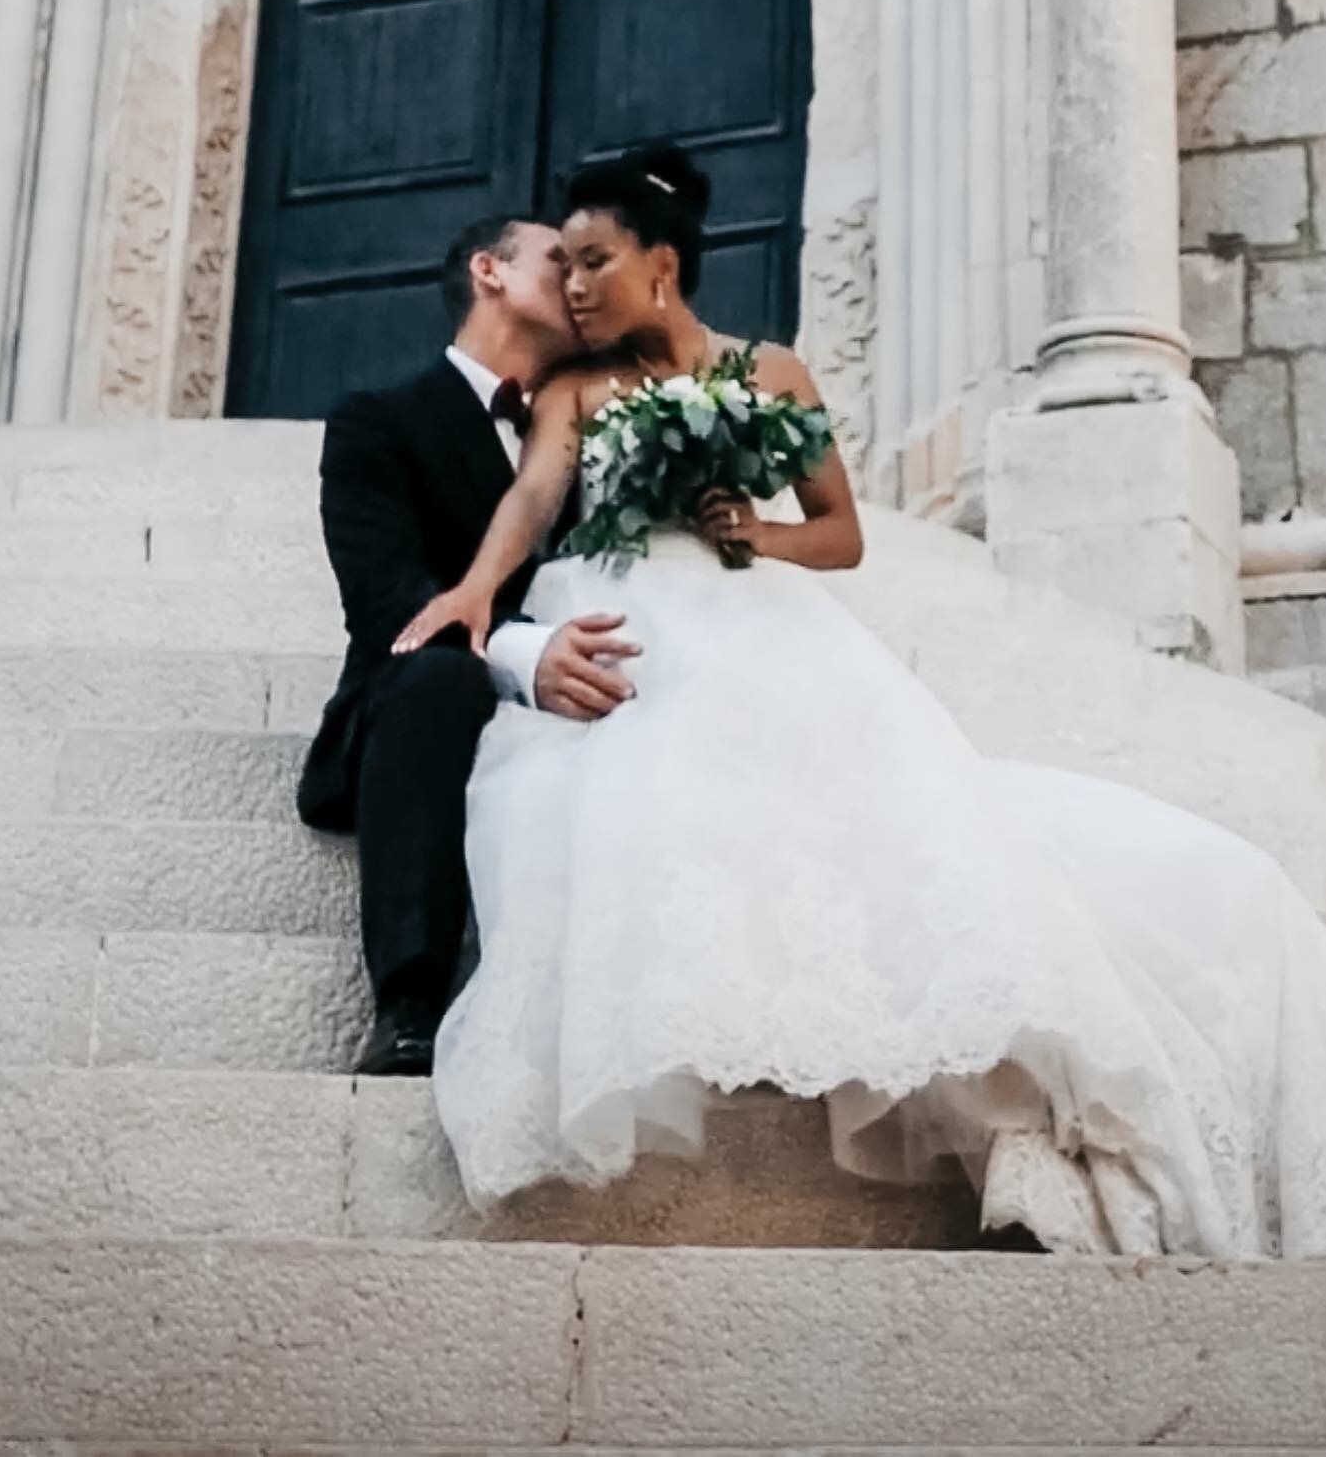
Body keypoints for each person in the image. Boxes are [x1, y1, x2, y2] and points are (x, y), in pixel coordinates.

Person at [393, 142, 1326, 1259]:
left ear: (663, 266)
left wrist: (754, 530)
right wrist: (477, 589)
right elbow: (538, 488)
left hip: (749, 608)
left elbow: (839, 532)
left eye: (593, 262)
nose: (575, 287)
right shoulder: (575, 386)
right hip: (620, 609)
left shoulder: (772, 372)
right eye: (564, 266)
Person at [298, 214, 640, 1077]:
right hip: (434, 696)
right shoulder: (378, 421)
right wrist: (528, 656)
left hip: (598, 687)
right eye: (557, 261)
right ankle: (408, 1008)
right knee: (435, 681)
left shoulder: (611, 430)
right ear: (487, 271)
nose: (577, 283)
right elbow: (389, 607)